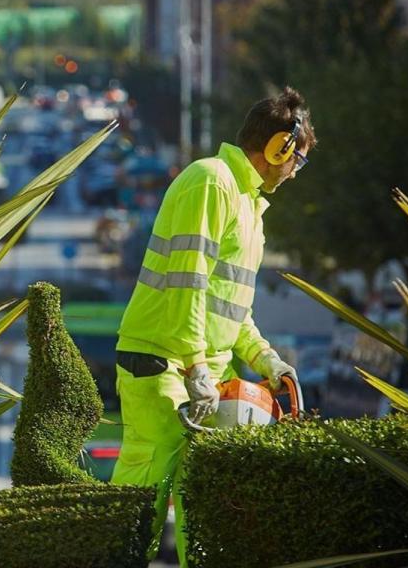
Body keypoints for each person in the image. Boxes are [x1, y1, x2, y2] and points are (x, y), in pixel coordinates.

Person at [110, 87, 317, 566]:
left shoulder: (249, 206)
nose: (295, 172)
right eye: (298, 159)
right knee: (141, 497)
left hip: (198, 373)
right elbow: (188, 283)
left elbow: (231, 307)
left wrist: (267, 359)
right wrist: (196, 366)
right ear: (278, 147)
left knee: (199, 506)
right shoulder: (212, 182)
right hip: (163, 363)